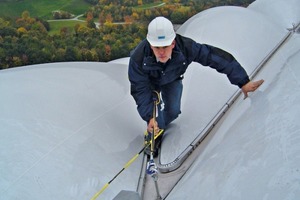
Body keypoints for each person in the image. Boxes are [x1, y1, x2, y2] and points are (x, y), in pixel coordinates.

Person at [128, 16, 264, 155]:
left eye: (165, 46)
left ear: (173, 43)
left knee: (174, 111)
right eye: (157, 47)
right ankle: (154, 135)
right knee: (155, 119)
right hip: (150, 83)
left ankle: (159, 124)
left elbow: (214, 58)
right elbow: (140, 89)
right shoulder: (138, 59)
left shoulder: (186, 48)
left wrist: (243, 82)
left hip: (172, 78)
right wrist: (150, 117)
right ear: (150, 45)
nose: (161, 52)